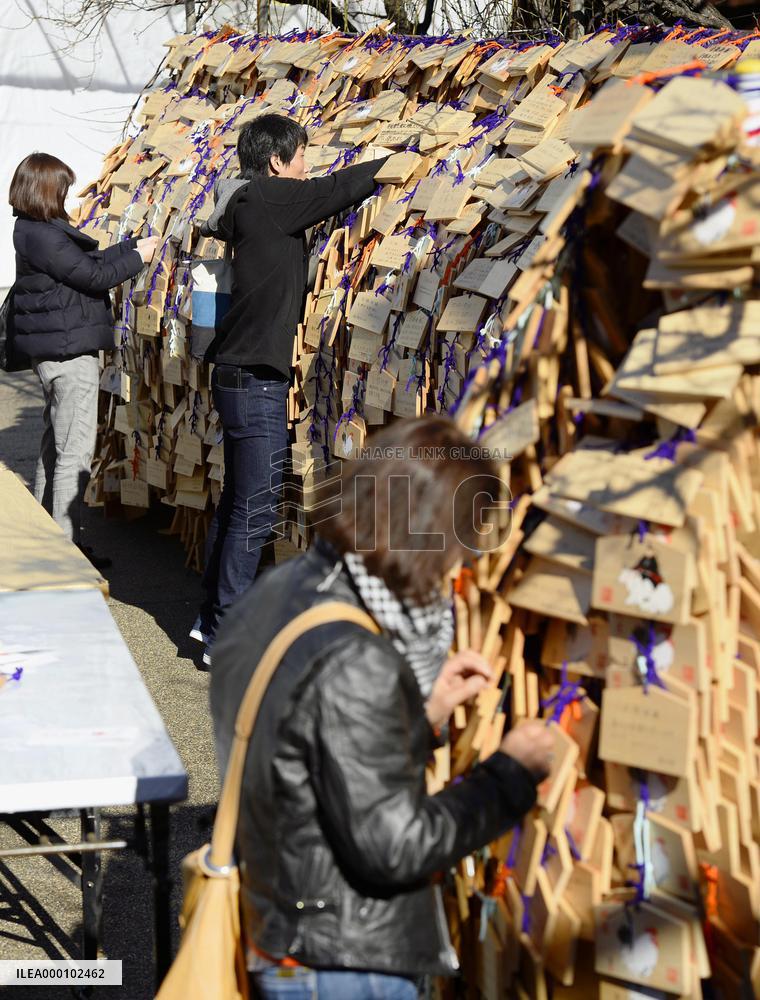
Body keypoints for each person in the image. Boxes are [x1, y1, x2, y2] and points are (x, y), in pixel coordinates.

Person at [210, 416, 555, 1000]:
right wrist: (511, 774)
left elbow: (309, 754)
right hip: (340, 959)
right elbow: (396, 846)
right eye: (458, 544)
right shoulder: (356, 659)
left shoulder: (283, 590)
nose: (459, 566)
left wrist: (419, 715)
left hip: (285, 919)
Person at [192, 114, 390, 663]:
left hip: (237, 374)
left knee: (238, 503)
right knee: (255, 510)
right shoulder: (271, 200)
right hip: (255, 381)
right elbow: (338, 190)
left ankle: (210, 619)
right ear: (277, 162)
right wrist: (393, 165)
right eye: (301, 157)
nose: (308, 168)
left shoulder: (250, 205)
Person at [10, 152, 158, 564]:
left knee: (54, 448)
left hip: (54, 351)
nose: (67, 196)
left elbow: (84, 263)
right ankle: (63, 553)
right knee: (72, 451)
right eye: (62, 189)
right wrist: (138, 259)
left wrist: (129, 248)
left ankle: (47, 536)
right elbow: (93, 276)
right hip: (69, 354)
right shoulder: (44, 235)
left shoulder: (34, 230)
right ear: (45, 191)